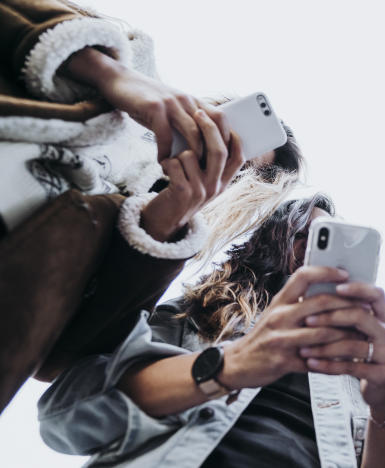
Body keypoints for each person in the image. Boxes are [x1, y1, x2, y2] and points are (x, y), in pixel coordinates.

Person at [0, 0, 302, 410]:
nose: (223, 158)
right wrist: (109, 74)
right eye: (228, 134)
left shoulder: (160, 241)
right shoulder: (125, 60)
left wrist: (166, 219)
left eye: (242, 166)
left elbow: (61, 361)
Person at [38, 194, 385, 467]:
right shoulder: (200, 312)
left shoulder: (363, 374)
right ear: (273, 242)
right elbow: (64, 418)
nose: (311, 253)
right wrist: (231, 364)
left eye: (328, 241)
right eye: (303, 234)